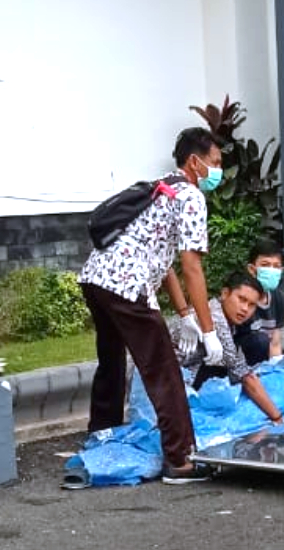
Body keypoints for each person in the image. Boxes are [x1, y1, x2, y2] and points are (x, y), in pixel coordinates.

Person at [78, 127, 227, 485]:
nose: (220, 171)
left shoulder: (161, 186)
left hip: (97, 277)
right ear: (195, 161)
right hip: (126, 284)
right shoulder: (190, 196)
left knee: (111, 361)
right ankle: (181, 461)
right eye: (216, 162)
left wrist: (185, 315)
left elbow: (163, 264)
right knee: (164, 372)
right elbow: (191, 266)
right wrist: (210, 333)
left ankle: (103, 434)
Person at [170, 271, 284, 427]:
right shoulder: (216, 320)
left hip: (182, 371)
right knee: (238, 373)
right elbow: (246, 378)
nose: (245, 309)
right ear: (225, 294)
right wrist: (277, 418)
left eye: (251, 305)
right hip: (166, 380)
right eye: (241, 299)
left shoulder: (219, 312)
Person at [233, 238, 284, 366]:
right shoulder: (241, 298)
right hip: (239, 358)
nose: (271, 270)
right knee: (260, 340)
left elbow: (275, 343)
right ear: (252, 269)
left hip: (265, 355)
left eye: (276, 266)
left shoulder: (279, 299)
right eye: (265, 265)